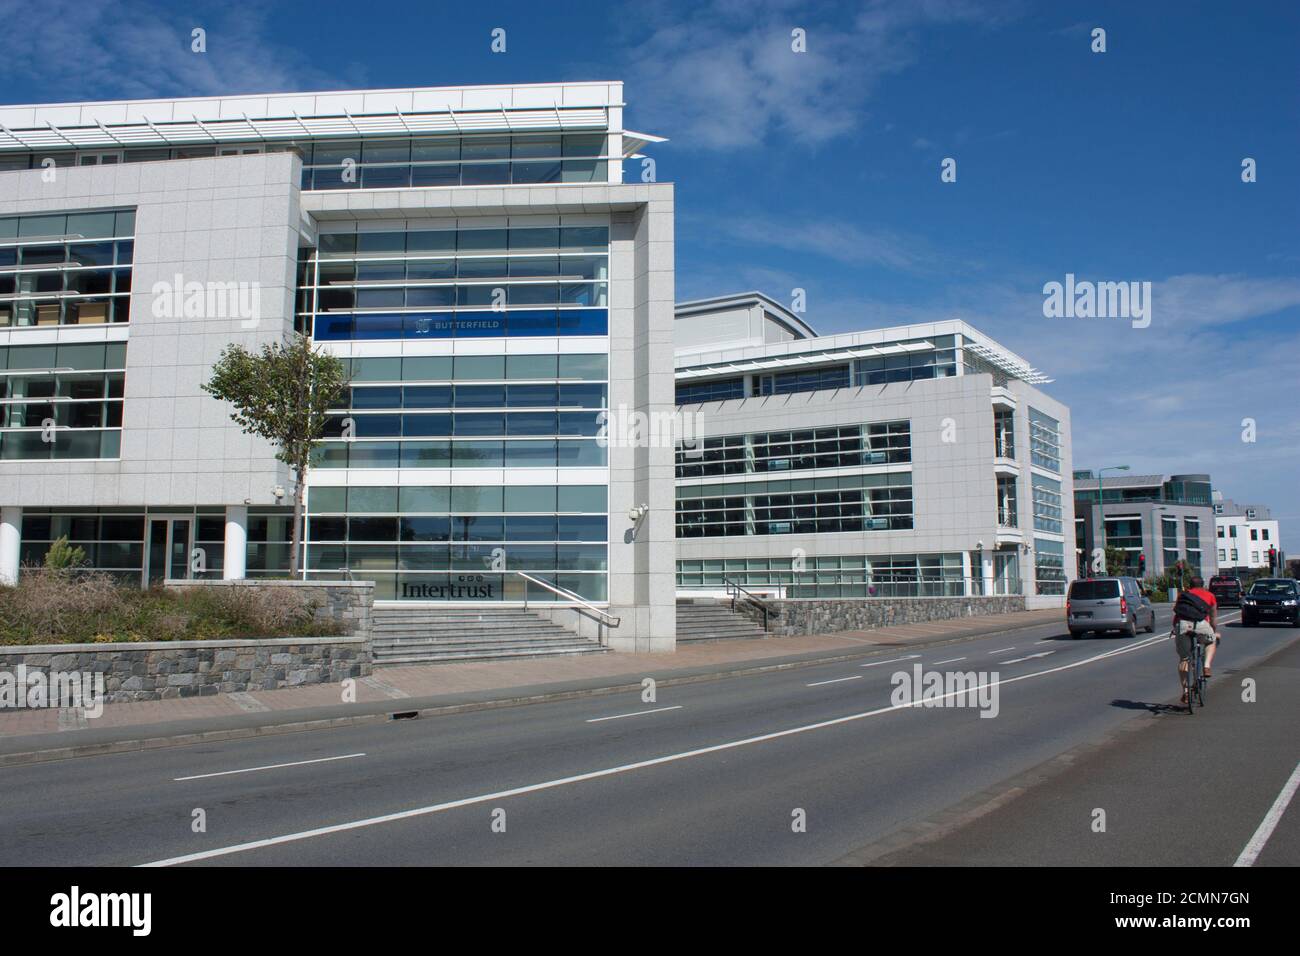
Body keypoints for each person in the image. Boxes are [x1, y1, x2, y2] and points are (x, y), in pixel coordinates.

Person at [1173, 575, 1220, 704]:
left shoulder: (1182, 595)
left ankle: (1186, 692)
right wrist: (1213, 631)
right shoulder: (1210, 596)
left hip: (1183, 625)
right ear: (1203, 585)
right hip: (1202, 625)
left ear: (1190, 585)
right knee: (1211, 641)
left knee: (1184, 659)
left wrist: (1176, 629)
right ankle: (1206, 666)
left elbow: (1177, 614)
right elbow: (1214, 619)